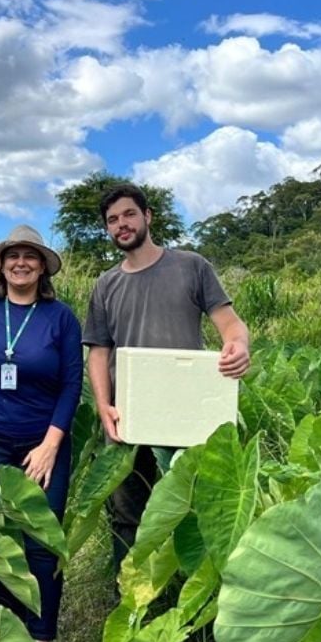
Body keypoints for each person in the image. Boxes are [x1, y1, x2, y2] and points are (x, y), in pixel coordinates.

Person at [82, 184, 250, 568]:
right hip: (130, 413)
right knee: (128, 512)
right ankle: (129, 593)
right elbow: (98, 351)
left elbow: (231, 325)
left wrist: (238, 347)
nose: (121, 225)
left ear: (148, 216)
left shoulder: (191, 266)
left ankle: (184, 596)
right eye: (112, 220)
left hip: (187, 411)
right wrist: (103, 405)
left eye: (128, 214)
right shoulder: (106, 284)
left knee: (190, 508)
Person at [0, 225, 82, 642]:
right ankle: (4, 631)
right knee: (0, 538)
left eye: (30, 256)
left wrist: (50, 445)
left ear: (43, 266)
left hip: (43, 443)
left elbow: (71, 384)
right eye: (13, 256)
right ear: (1, 263)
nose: (21, 263)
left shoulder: (60, 317)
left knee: (42, 542)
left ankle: (41, 637)